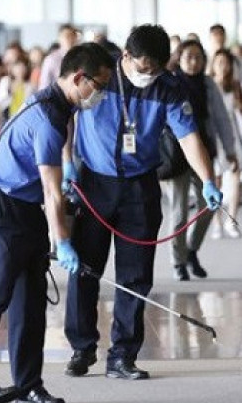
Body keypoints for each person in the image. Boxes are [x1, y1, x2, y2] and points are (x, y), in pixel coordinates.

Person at [0, 42, 115, 403]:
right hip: (2, 209)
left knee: (30, 304)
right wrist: (63, 241)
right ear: (79, 78)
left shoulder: (58, 106)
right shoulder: (48, 117)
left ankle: (29, 386)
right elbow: (50, 189)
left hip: (26, 211)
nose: (102, 94)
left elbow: (51, 181)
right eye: (99, 85)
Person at [65, 26, 222, 380]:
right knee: (85, 268)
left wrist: (209, 180)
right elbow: (67, 115)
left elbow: (188, 137)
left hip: (141, 187)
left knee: (135, 275)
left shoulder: (169, 87)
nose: (148, 75)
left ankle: (122, 354)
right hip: (94, 181)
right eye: (143, 67)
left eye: (156, 69)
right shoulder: (98, 75)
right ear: (126, 57)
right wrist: (65, 165)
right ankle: (82, 346)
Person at [163, 39, 236, 281]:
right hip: (175, 156)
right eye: (188, 57)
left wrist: (229, 149)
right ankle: (178, 263)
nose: (193, 62)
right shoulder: (169, 83)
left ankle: (191, 251)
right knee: (178, 213)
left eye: (198, 57)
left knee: (207, 208)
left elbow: (221, 118)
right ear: (179, 58)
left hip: (203, 153)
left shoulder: (207, 84)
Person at [210, 48, 242, 239]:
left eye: (226, 62)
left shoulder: (235, 85)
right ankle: (217, 222)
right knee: (215, 179)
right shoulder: (208, 85)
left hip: (232, 134)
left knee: (235, 176)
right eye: (219, 62)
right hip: (214, 135)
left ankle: (231, 220)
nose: (223, 66)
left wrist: (238, 101)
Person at [38, 23, 79, 90]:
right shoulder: (51, 59)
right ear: (59, 38)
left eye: (72, 36)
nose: (70, 39)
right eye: (66, 36)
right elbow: (44, 85)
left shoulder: (81, 56)